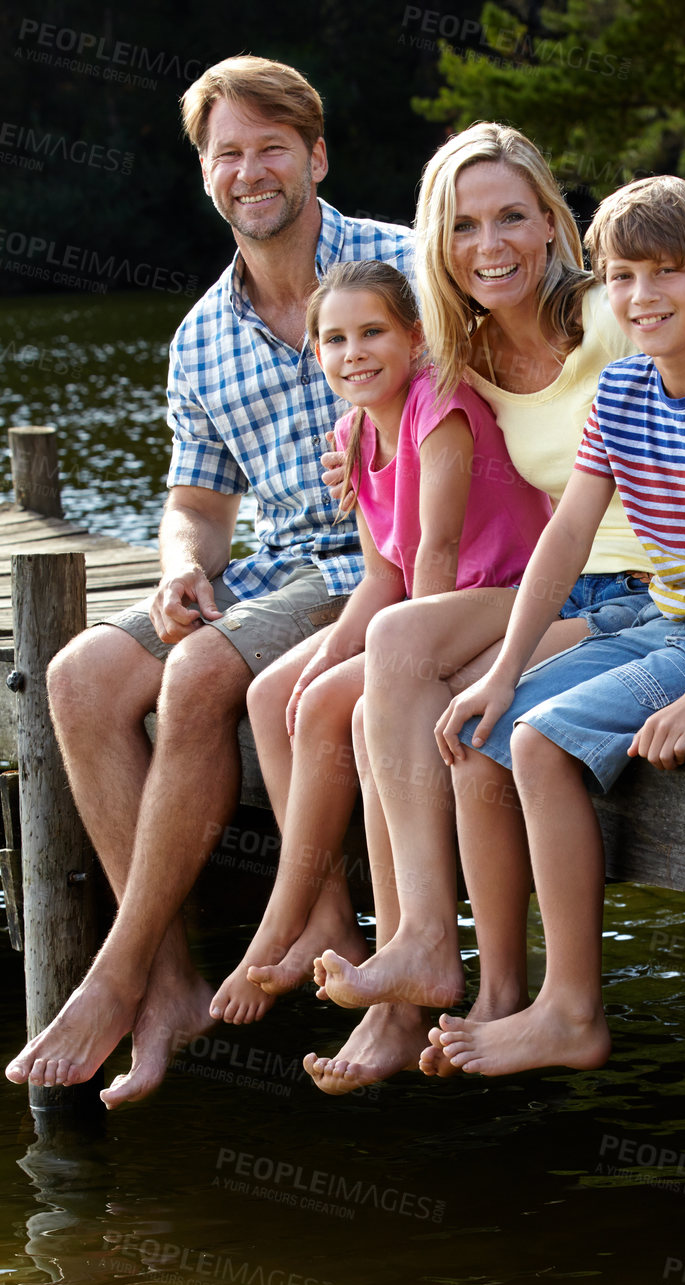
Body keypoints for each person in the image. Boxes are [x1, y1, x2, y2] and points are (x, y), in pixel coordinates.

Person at [307, 123, 685, 1093]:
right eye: (467, 224)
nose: (491, 242)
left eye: (511, 216)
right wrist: (363, 434)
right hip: (637, 606)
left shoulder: (659, 341)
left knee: (515, 731)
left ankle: (556, 1001)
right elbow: (550, 527)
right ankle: (451, 958)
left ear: (551, 226)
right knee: (450, 714)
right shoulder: (512, 364)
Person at [4, 56, 414, 1106]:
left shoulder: (408, 265)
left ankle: (114, 972)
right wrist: (184, 567)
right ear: (204, 174)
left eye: (271, 146)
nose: (249, 170)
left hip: (384, 560)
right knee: (80, 677)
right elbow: (196, 501)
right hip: (273, 566)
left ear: (315, 156)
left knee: (197, 680)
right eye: (226, 153)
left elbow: (532, 367)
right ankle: (174, 980)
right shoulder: (200, 338)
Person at [207, 259, 551, 1026]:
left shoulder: (439, 404)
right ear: (317, 353)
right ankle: (329, 922)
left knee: (344, 702)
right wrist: (330, 653)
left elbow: (435, 551)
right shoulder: (355, 431)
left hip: (503, 597)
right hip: (428, 610)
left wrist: (391, 668)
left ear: (415, 336)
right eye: (334, 339)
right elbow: (378, 578)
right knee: (276, 695)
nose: (352, 352)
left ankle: (281, 925)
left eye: (372, 333)